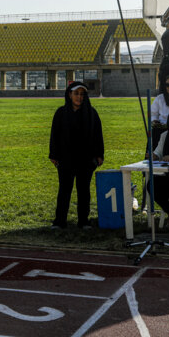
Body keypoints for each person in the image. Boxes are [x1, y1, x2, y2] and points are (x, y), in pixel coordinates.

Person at [49, 81, 104, 229]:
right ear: (69, 95)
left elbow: (98, 135)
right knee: (64, 190)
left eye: (82, 94)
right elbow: (54, 135)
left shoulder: (91, 113)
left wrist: (99, 155)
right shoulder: (61, 113)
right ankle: (60, 221)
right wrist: (53, 155)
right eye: (76, 94)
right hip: (65, 159)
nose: (79, 97)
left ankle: (83, 221)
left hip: (85, 160)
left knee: (84, 191)